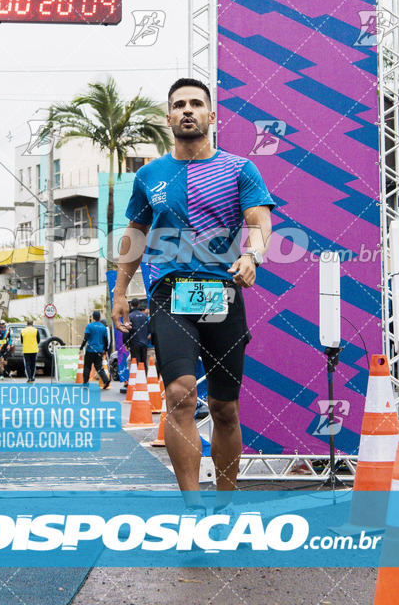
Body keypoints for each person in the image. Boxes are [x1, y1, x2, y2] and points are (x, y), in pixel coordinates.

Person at [111, 78, 274, 511]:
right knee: (180, 394)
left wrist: (252, 256)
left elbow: (258, 222)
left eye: (196, 104)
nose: (187, 110)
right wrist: (120, 289)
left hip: (223, 294)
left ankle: (225, 504)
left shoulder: (240, 168)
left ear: (211, 115)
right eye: (179, 104)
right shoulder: (149, 175)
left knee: (224, 408)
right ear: (168, 117)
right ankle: (192, 508)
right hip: (170, 294)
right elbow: (136, 232)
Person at [80, 310, 111, 389]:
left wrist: (81, 347)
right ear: (99, 318)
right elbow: (106, 340)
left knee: (87, 367)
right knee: (99, 367)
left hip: (90, 350)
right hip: (99, 350)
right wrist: (105, 349)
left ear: (93, 317)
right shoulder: (103, 328)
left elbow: (85, 338)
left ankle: (86, 384)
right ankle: (106, 380)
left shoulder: (89, 326)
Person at [123, 298, 150, 373]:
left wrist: (125, 343)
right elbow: (149, 329)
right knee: (143, 362)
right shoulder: (144, 316)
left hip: (134, 343)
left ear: (130, 305)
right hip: (144, 343)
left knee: (135, 362)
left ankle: (137, 381)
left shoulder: (129, 317)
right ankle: (144, 379)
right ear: (138, 305)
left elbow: (126, 330)